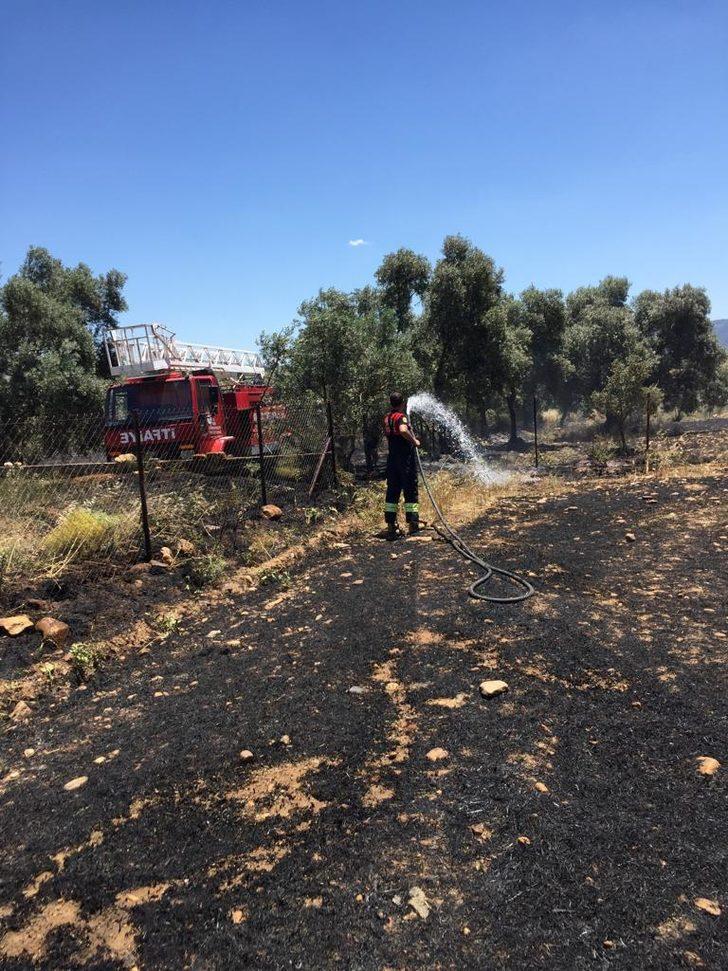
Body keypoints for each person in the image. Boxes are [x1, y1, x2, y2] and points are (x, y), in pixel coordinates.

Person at [382, 392, 420, 539]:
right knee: (410, 489)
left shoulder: (387, 418)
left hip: (392, 460)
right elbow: (403, 430)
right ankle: (413, 524)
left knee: (392, 492)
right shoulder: (401, 417)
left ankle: (391, 526)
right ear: (402, 403)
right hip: (405, 460)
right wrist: (414, 441)